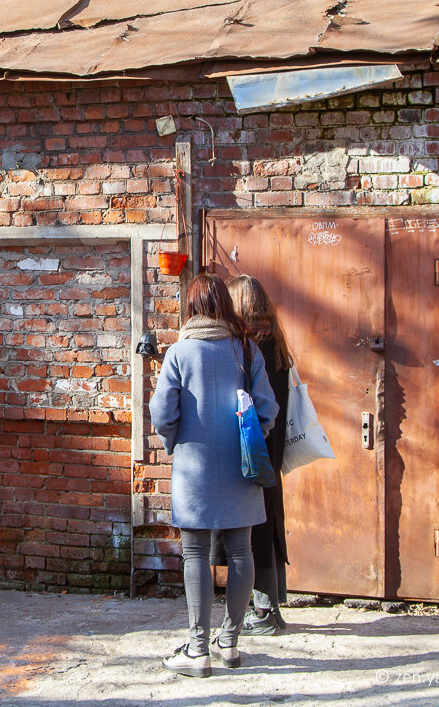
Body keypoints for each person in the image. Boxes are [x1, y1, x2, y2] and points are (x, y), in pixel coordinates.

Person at [149, 273, 279, 677]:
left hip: (195, 468)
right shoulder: (246, 349)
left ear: (191, 308)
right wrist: (251, 439)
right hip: (242, 465)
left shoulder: (179, 353)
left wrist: (177, 441)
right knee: (242, 552)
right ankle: (231, 643)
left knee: (194, 554)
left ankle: (198, 649)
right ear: (223, 304)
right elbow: (268, 409)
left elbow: (161, 414)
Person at [227, 274, 293, 636]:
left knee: (253, 532)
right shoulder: (276, 343)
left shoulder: (249, 349)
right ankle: (272, 607)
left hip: (255, 449)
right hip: (274, 448)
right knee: (268, 529)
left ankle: (265, 611)